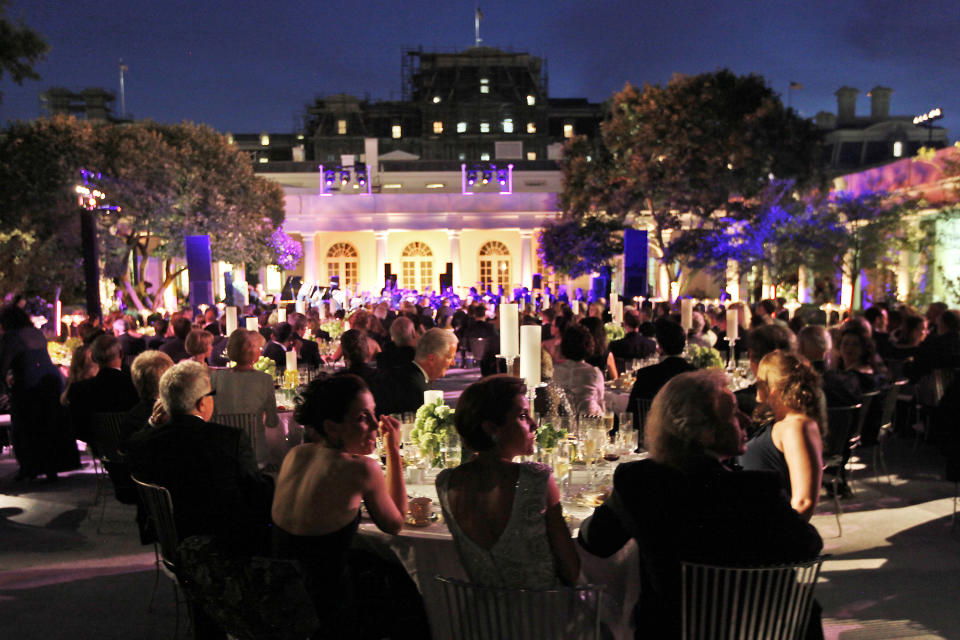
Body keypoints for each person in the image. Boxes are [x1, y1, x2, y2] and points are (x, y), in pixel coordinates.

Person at [578, 370, 823, 639]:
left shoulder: (638, 482)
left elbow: (595, 541)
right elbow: (808, 547)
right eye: (733, 413)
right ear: (703, 432)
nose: (746, 419)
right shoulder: (757, 490)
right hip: (756, 631)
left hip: (671, 632)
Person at [271, 374, 427, 638]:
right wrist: (392, 448)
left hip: (279, 595)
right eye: (362, 418)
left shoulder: (297, 454)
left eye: (374, 414)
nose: (376, 426)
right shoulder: (362, 469)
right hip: (327, 609)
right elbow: (396, 523)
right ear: (332, 427)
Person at [436, 375, 579, 588]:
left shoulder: (446, 482)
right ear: (492, 428)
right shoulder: (537, 478)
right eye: (522, 416)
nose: (533, 424)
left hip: (485, 618)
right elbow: (571, 571)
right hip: (545, 614)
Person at [126, 360, 274, 553]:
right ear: (202, 403)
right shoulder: (230, 439)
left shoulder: (145, 442)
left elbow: (131, 448)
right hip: (228, 543)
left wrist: (152, 424)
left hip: (173, 541)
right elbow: (254, 492)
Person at [740, 351, 826, 521]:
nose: (757, 383)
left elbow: (803, 501)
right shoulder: (782, 422)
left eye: (761, 379)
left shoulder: (796, 426)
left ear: (773, 388)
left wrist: (782, 539)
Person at [0, 304, 80, 481]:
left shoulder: (11, 337)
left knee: (25, 426)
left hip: (29, 385)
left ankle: (30, 467)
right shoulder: (35, 332)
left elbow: (4, 363)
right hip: (51, 381)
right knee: (49, 425)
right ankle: (51, 467)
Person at [209, 329, 280, 467]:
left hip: (224, 455)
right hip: (255, 457)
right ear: (254, 353)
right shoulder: (264, 379)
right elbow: (272, 422)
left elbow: (211, 418)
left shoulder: (215, 377)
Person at [372, 327, 458, 416]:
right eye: (449, 357)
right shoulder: (418, 390)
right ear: (431, 359)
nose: (453, 363)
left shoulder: (403, 373)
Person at [627, 319, 696, 428]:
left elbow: (632, 412)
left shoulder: (646, 374)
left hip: (652, 436)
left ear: (659, 347)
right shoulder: (695, 373)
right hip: (686, 437)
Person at [552, 324, 605, 415]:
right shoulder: (594, 373)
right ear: (589, 346)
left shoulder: (554, 370)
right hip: (588, 421)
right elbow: (600, 401)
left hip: (562, 421)